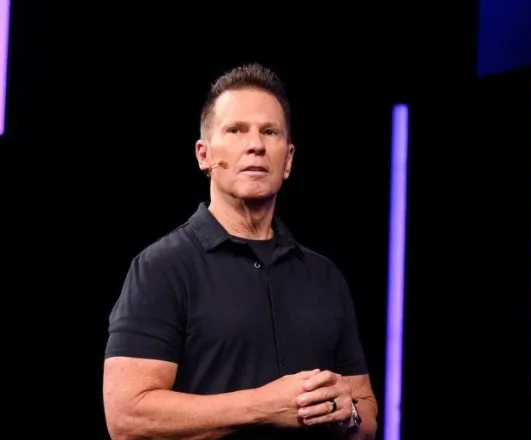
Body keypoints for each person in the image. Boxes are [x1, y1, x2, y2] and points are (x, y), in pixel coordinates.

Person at [102, 63, 378, 440]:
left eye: (269, 131)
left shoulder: (325, 277)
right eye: (235, 130)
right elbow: (127, 417)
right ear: (204, 155)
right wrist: (265, 407)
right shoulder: (161, 268)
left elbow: (367, 415)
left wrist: (348, 414)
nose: (255, 145)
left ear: (288, 160)